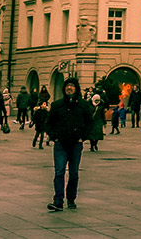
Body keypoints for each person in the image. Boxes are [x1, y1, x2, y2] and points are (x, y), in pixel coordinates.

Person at [45, 77, 92, 212]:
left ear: (76, 88)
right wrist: (54, 137)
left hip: (76, 144)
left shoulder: (83, 105)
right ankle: (58, 200)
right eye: (67, 86)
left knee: (73, 173)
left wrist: (83, 137)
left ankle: (71, 198)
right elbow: (49, 123)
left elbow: (90, 122)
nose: (69, 88)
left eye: (72, 86)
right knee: (59, 171)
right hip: (61, 144)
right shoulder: (57, 105)